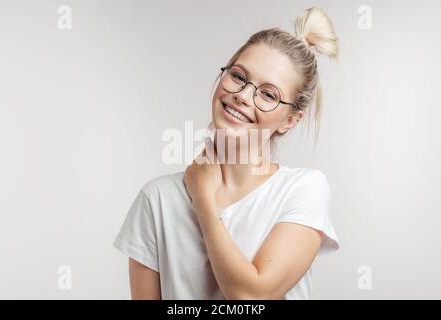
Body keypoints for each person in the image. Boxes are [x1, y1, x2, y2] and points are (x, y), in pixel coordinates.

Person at [113, 6, 340, 300]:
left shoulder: (303, 190)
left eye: (268, 94)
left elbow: (250, 297)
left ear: (290, 120)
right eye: (238, 76)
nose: (243, 96)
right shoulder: (157, 200)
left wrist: (203, 199)